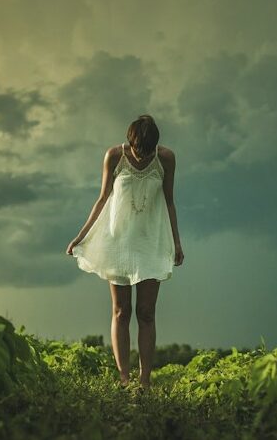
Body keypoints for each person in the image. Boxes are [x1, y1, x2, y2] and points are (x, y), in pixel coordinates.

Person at [66, 114, 184, 392]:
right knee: (121, 311)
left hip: (151, 243)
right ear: (130, 140)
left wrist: (177, 243)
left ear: (156, 144)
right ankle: (124, 378)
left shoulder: (166, 158)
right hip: (117, 243)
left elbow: (169, 202)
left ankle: (144, 381)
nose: (141, 154)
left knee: (146, 312)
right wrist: (80, 237)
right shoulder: (114, 156)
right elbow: (102, 197)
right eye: (137, 148)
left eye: (147, 149)